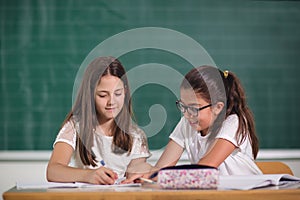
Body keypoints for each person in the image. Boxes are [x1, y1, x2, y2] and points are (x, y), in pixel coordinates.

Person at [47, 56, 151, 185]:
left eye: (117, 93)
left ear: (125, 91)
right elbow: (53, 171)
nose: (111, 102)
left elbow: (137, 170)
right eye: (103, 95)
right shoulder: (75, 126)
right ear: (90, 94)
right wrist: (88, 175)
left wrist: (145, 172)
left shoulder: (136, 135)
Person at [153, 65, 262, 175]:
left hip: (248, 191)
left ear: (217, 107)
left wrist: (164, 175)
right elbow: (161, 168)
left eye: (193, 108)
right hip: (215, 191)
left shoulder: (234, 122)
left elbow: (204, 168)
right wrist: (148, 175)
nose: (186, 114)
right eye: (183, 106)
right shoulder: (187, 123)